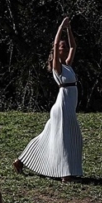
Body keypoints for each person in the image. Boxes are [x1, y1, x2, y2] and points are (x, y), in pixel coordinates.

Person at [15, 17, 83, 180]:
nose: (65, 47)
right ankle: (65, 173)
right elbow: (54, 44)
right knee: (67, 139)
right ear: (57, 51)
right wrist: (60, 27)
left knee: (49, 137)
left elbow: (74, 46)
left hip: (67, 107)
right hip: (62, 107)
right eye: (62, 46)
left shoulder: (67, 65)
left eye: (65, 46)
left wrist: (69, 29)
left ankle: (21, 161)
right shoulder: (57, 66)